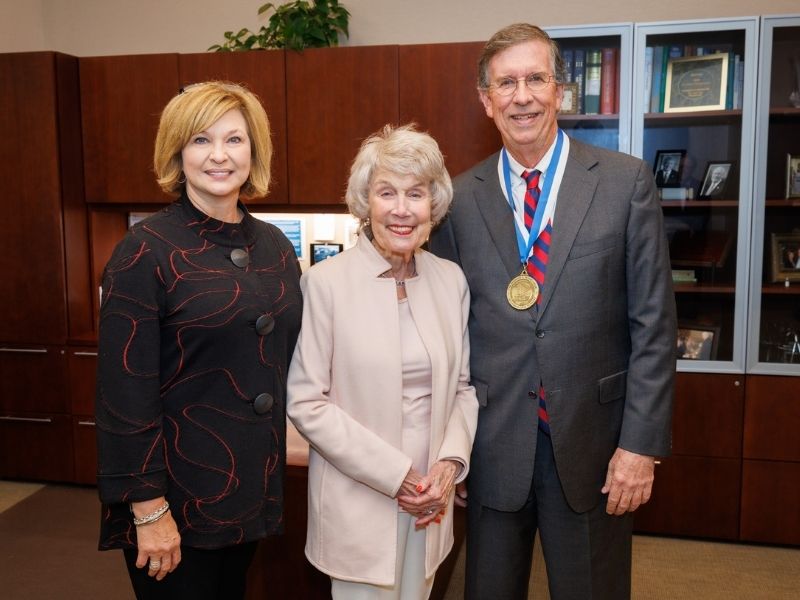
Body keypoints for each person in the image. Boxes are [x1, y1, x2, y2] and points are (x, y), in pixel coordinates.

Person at [429, 24, 677, 599]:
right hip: (492, 445)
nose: (523, 96)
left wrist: (639, 447)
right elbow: (446, 335)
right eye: (506, 83)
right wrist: (449, 448)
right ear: (486, 101)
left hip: (596, 446)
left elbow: (654, 328)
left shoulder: (625, 183)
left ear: (560, 91)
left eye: (536, 78)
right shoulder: (456, 200)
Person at [94, 81, 303, 599]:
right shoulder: (145, 251)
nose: (219, 156)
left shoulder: (274, 247)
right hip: (176, 502)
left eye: (234, 140)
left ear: (254, 151)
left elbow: (288, 357)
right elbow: (123, 397)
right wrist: (148, 508)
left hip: (248, 490)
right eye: (200, 140)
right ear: (177, 152)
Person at [287, 124, 479, 599]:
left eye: (415, 194)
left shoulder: (450, 280)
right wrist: (400, 477)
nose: (401, 209)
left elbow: (463, 388)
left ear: (432, 204)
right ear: (364, 201)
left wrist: (448, 467)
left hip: (430, 503)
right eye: (386, 192)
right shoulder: (325, 284)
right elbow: (307, 402)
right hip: (360, 498)